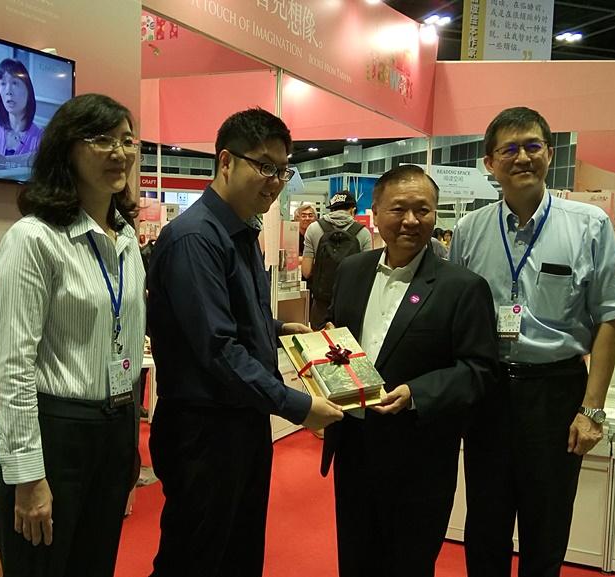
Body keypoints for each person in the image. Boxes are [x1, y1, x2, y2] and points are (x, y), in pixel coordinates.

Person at [146, 107, 344, 577]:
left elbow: (230, 318)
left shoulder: (241, 231)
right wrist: (295, 404)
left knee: (238, 551)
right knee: (196, 556)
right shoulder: (194, 238)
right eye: (264, 166)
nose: (275, 181)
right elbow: (217, 348)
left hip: (241, 424)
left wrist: (277, 329)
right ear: (225, 162)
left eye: (283, 169)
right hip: (204, 430)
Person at [450, 106, 615, 577]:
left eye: (532, 146)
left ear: (549, 154)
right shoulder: (469, 230)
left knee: (547, 526)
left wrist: (592, 410)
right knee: (485, 526)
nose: (522, 158)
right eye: (508, 149)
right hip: (488, 391)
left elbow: (611, 318)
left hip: (556, 393)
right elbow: (453, 317)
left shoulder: (588, 224)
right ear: (489, 163)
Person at [0, 93, 144, 577]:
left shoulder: (127, 239)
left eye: (126, 139)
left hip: (115, 427)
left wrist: (128, 442)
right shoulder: (33, 239)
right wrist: (28, 474)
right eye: (101, 140)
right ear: (66, 149)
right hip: (56, 436)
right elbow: (15, 365)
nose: (119, 153)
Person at [322, 164, 499, 577]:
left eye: (423, 210)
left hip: (419, 457)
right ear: (376, 212)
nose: (411, 221)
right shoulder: (352, 271)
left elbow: (479, 369)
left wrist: (417, 392)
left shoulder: (463, 287)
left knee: (409, 564)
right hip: (354, 446)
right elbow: (337, 339)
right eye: (398, 209)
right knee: (355, 557)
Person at [302, 191, 372, 328]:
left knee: (319, 345)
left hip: (321, 304)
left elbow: (306, 271)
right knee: (349, 346)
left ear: (332, 209)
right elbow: (367, 274)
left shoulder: (314, 228)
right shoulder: (363, 233)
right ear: (352, 210)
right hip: (351, 304)